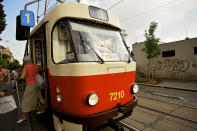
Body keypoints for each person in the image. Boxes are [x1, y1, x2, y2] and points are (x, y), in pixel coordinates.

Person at [15, 56, 44, 123]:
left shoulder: (26, 66)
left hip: (30, 85)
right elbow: (44, 69)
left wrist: (16, 78)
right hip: (37, 84)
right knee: (36, 98)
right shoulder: (35, 66)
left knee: (25, 100)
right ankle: (42, 110)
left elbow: (22, 77)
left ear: (25, 61)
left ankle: (23, 117)